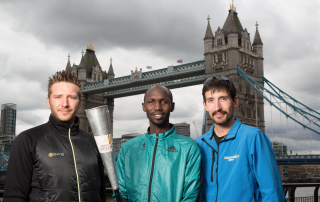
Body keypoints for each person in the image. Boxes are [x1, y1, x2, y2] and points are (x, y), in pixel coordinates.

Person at [4, 71, 106, 202]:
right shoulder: (27, 140)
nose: (65, 103)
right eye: (58, 97)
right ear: (48, 102)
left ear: (80, 103)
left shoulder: (93, 142)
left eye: (71, 97)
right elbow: (14, 197)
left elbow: (101, 195)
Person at [195, 76, 284, 202]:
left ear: (235, 101)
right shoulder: (198, 144)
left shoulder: (253, 137)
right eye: (211, 100)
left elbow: (272, 192)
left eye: (223, 99)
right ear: (205, 105)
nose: (217, 107)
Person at [116, 85, 201, 201]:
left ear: (172, 106)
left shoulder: (189, 148)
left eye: (164, 102)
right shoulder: (127, 149)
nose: (158, 107)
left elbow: (191, 196)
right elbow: (121, 193)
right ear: (143, 107)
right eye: (151, 102)